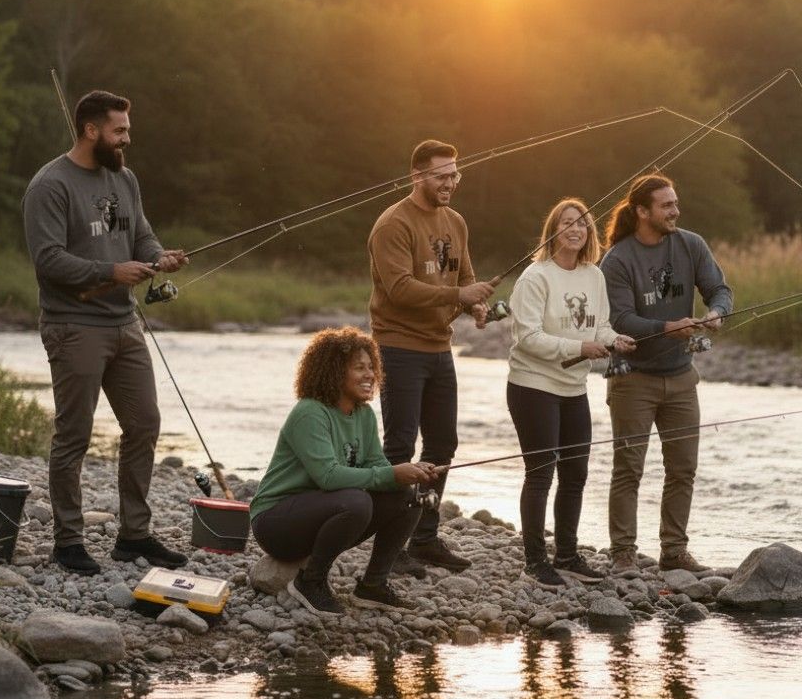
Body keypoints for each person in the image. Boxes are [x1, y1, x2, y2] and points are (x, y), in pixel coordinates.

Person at [22, 89, 189, 575]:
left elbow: (141, 235)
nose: (127, 139)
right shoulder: (49, 186)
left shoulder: (125, 178)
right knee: (73, 435)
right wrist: (111, 272)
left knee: (145, 424)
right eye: (119, 130)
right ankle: (68, 541)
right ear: (91, 130)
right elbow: (48, 260)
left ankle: (133, 535)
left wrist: (159, 258)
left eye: (128, 130)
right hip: (73, 325)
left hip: (124, 323)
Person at [367, 139, 494, 575]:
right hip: (398, 346)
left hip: (440, 349)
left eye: (455, 174)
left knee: (442, 445)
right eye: (441, 175)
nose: (450, 183)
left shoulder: (455, 221)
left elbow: (466, 275)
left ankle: (424, 537)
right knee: (400, 447)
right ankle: (391, 545)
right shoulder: (392, 224)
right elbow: (400, 288)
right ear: (417, 176)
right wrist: (459, 294)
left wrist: (475, 304)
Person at [249, 326, 438, 615]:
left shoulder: (362, 414)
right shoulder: (309, 412)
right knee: (356, 500)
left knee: (407, 495)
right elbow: (327, 476)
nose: (370, 375)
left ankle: (373, 586)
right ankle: (310, 582)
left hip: (323, 510)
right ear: (334, 371)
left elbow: (376, 466)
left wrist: (410, 472)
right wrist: (390, 474)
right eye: (359, 368)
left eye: (371, 367)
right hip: (276, 523)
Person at [599, 173, 733, 575]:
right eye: (666, 205)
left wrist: (716, 313)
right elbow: (620, 318)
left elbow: (720, 290)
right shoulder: (618, 259)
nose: (675, 210)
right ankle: (623, 554)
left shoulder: (691, 244)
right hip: (632, 379)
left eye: (676, 203)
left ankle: (673, 552)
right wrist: (666, 327)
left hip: (681, 377)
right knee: (629, 469)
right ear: (642, 211)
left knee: (683, 469)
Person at [507, 199, 636, 588]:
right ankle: (534, 561)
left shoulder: (593, 275)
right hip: (533, 386)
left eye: (582, 224)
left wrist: (616, 339)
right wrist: (578, 349)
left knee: (576, 474)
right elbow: (527, 338)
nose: (576, 229)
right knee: (541, 473)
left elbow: (598, 327)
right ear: (554, 230)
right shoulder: (535, 277)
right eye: (567, 223)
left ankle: (566, 555)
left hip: (573, 388)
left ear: (589, 234)